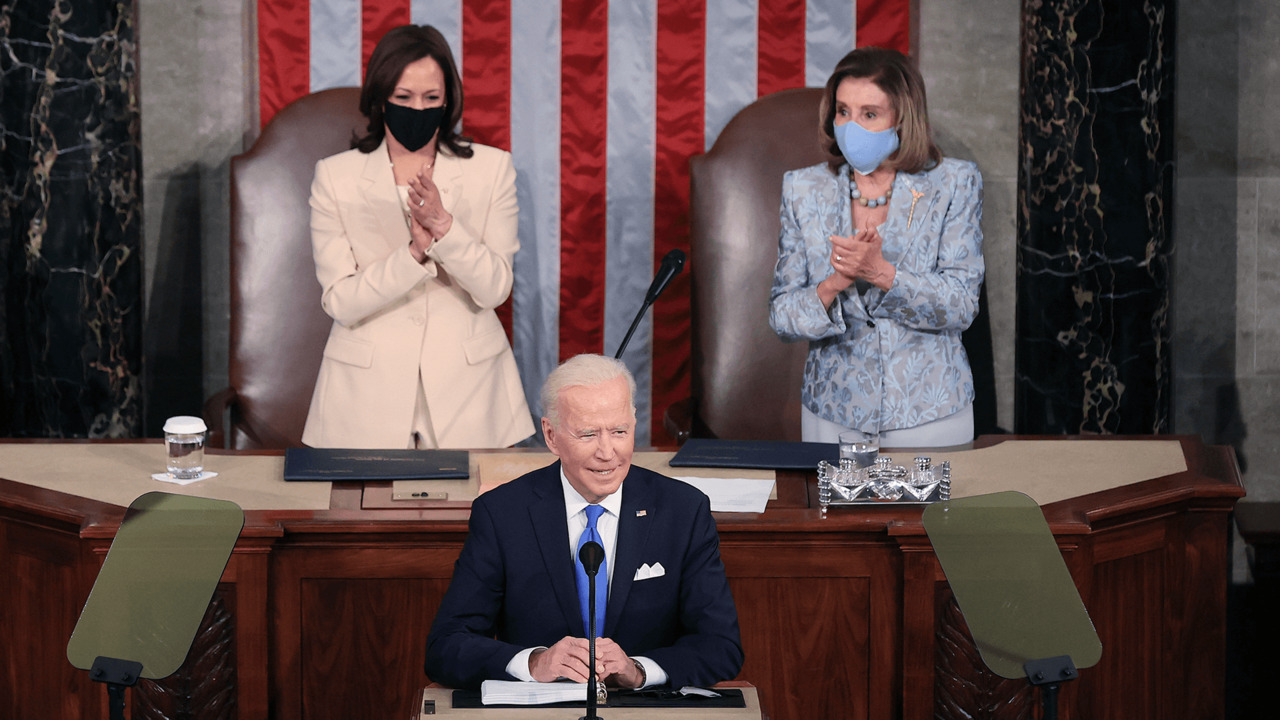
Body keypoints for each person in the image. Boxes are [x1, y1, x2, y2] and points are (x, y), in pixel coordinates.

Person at [424, 354, 743, 690]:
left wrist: (639, 670)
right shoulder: (503, 514)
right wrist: (534, 663)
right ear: (551, 435)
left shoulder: (683, 511)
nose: (607, 452)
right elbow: (446, 646)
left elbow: (721, 646)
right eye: (588, 434)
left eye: (619, 431)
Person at [301, 25, 534, 449]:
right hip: (365, 401)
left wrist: (444, 228)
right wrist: (414, 254)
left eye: (431, 98)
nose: (418, 109)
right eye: (404, 98)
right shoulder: (335, 177)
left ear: (448, 100)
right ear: (380, 98)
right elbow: (340, 301)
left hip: (472, 397)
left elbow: (495, 288)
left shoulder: (492, 169)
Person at [769, 47, 984, 447]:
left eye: (870, 114)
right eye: (843, 112)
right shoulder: (802, 188)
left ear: (903, 117)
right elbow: (782, 316)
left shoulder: (954, 183)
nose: (852, 127)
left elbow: (961, 305)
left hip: (929, 411)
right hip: (832, 412)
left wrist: (881, 273)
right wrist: (833, 283)